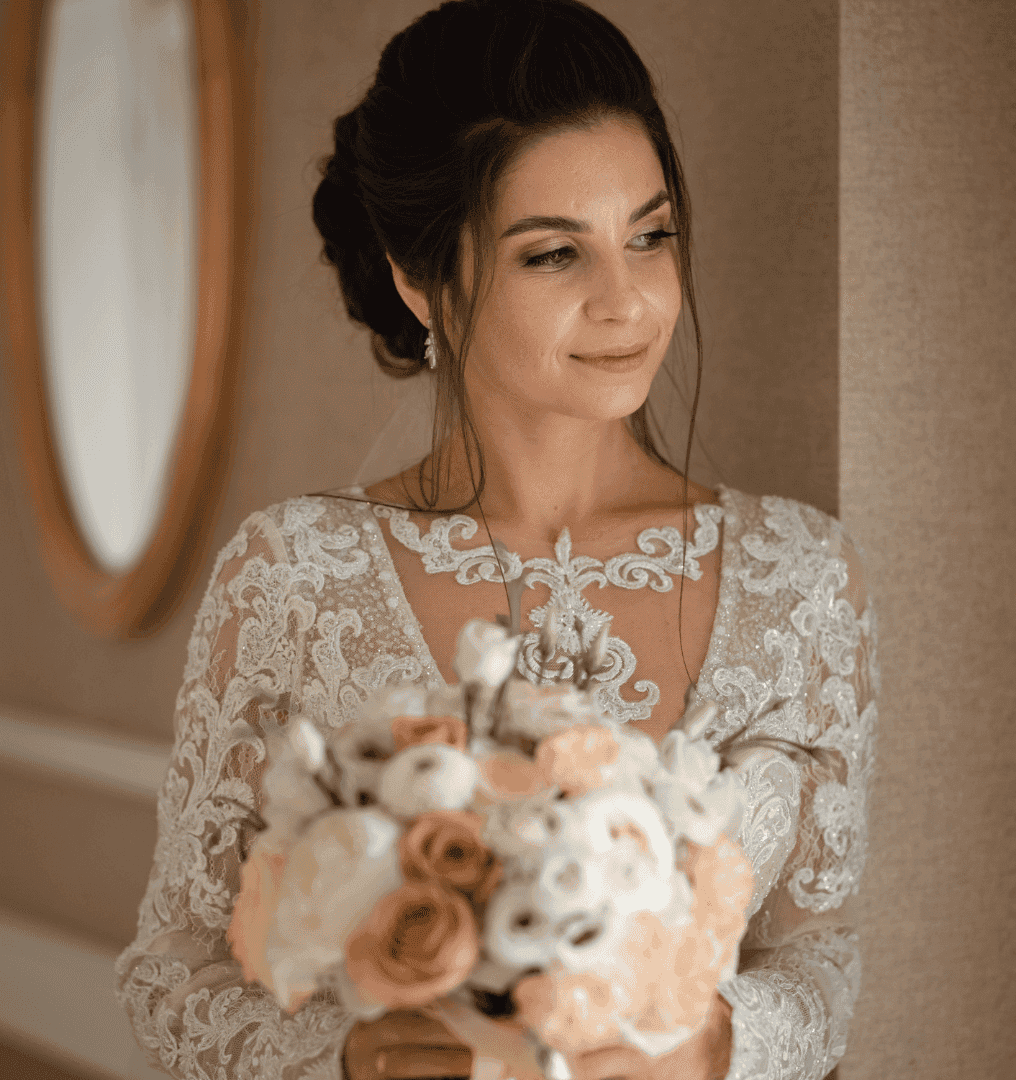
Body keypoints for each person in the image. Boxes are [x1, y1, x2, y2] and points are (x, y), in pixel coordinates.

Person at [114, 2, 878, 1078]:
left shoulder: (803, 579)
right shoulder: (294, 580)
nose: (630, 300)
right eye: (556, 254)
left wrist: (716, 1042)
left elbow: (823, 961)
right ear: (421, 279)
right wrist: (348, 1058)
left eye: (650, 236)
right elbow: (173, 967)